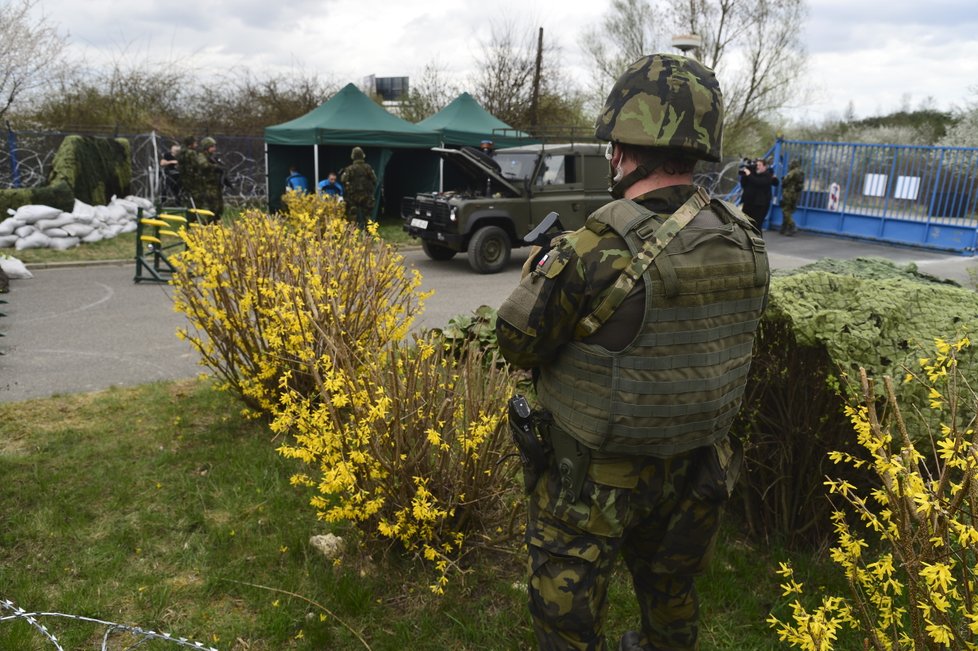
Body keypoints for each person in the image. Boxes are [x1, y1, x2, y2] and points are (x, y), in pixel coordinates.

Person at [495, 53, 770, 651]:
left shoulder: (594, 246)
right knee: (671, 597)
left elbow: (517, 343)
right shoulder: (745, 238)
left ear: (621, 149)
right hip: (697, 470)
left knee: (567, 621)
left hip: (593, 481)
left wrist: (538, 274)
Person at [340, 146, 377, 229]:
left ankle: (352, 235)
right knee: (367, 216)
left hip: (353, 197)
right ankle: (370, 234)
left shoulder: (349, 169)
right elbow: (374, 180)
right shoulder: (368, 167)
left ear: (353, 156)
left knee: (352, 216)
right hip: (367, 196)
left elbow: (343, 179)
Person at [739, 157, 779, 231]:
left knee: (756, 226)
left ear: (764, 166)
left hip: (760, 205)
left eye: (759, 165)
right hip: (748, 202)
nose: (757, 166)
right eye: (756, 165)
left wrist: (749, 174)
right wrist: (745, 174)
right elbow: (743, 184)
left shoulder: (768, 175)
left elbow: (759, 182)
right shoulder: (752, 174)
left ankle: (757, 241)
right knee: (744, 223)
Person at [195, 136, 228, 219]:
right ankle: (208, 227)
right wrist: (215, 167)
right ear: (206, 147)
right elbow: (204, 165)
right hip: (207, 186)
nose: (214, 149)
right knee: (213, 209)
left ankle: (215, 227)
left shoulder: (212, 157)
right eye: (212, 147)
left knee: (219, 209)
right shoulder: (201, 156)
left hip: (215, 185)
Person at [779, 159, 804, 236]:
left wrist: (783, 180)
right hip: (795, 194)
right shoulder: (801, 173)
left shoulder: (792, 172)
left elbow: (785, 182)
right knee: (789, 210)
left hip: (788, 193)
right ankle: (784, 228)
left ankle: (792, 226)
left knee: (785, 210)